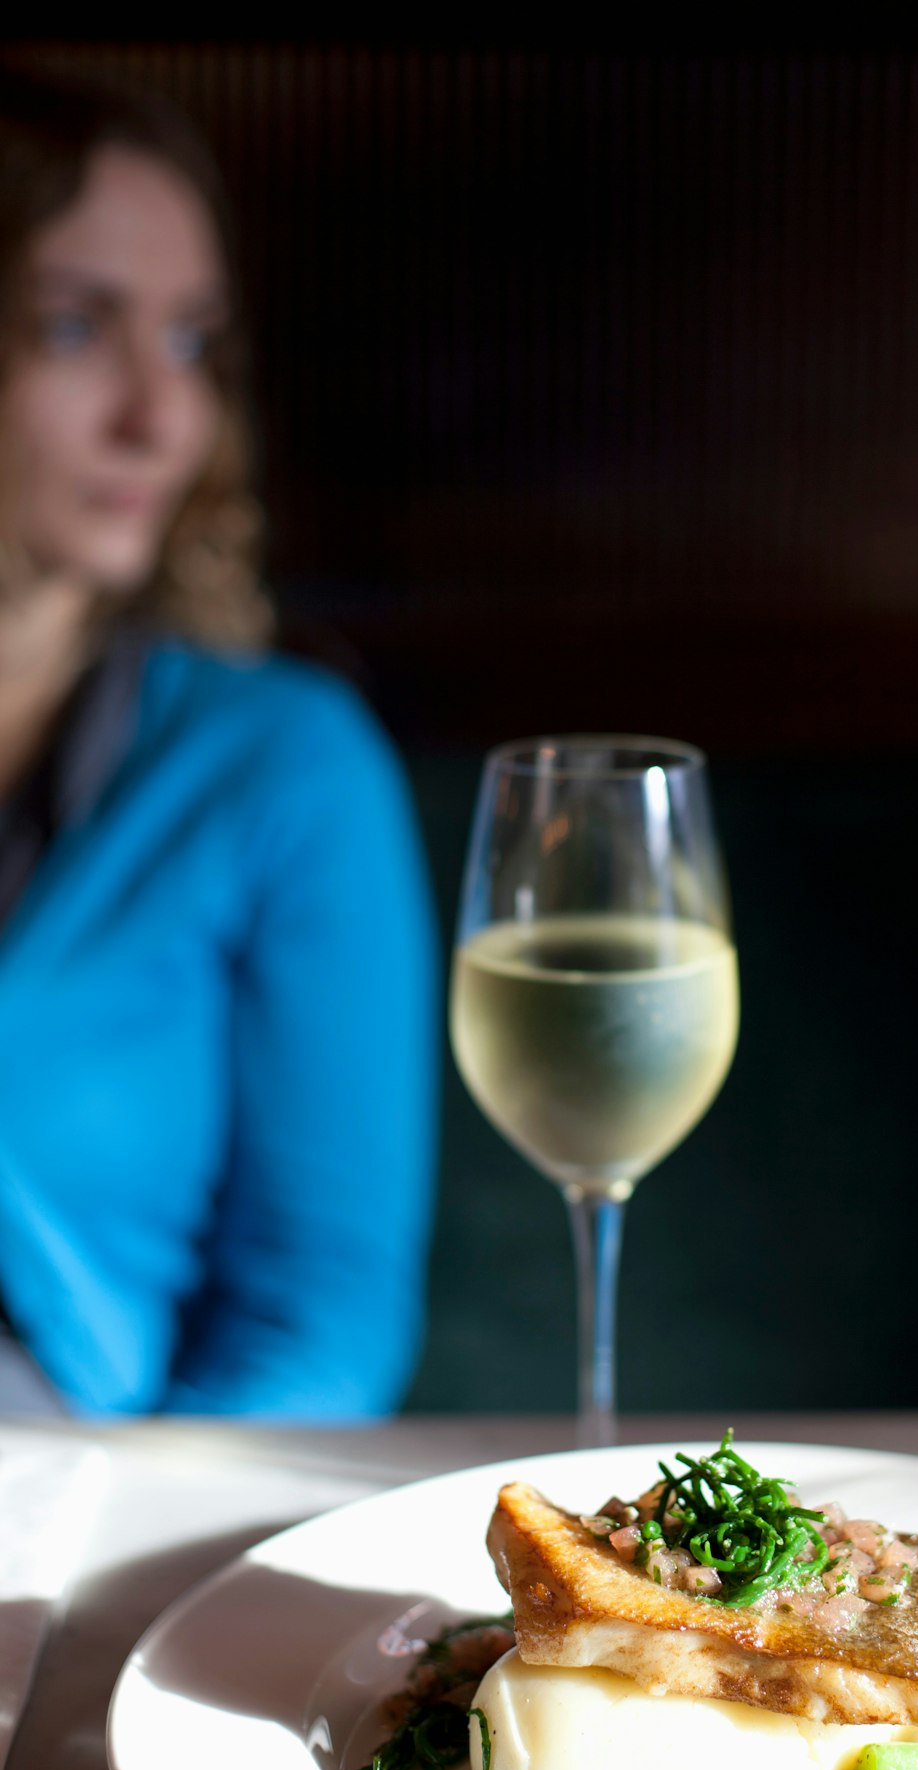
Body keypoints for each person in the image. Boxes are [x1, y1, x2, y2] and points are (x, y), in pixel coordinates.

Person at [0, 68, 438, 1418]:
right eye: (78, 328)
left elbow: (319, 1324)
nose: (160, 415)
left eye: (191, 343)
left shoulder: (279, 769)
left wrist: (105, 1559)